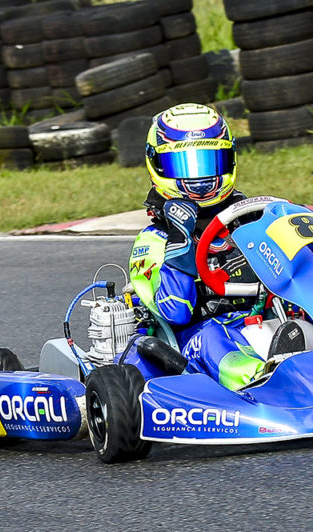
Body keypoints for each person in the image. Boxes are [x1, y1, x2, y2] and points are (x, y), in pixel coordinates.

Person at [128, 103, 266, 390]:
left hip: (260, 322)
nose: (199, 179)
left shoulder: (254, 221)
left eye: (209, 162)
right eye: (185, 165)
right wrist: (181, 241)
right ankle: (259, 383)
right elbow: (175, 312)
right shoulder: (153, 240)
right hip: (194, 338)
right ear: (158, 165)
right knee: (213, 337)